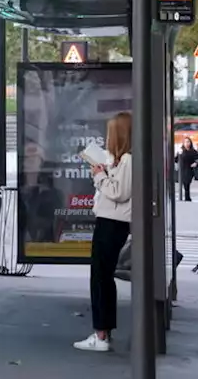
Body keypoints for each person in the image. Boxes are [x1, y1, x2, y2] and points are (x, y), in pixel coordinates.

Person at [74, 112, 133, 352]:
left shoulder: (128, 159)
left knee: (100, 276)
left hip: (113, 221)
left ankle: (101, 334)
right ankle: (102, 331)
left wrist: (99, 177)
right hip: (111, 219)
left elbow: (120, 192)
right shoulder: (122, 160)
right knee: (101, 276)